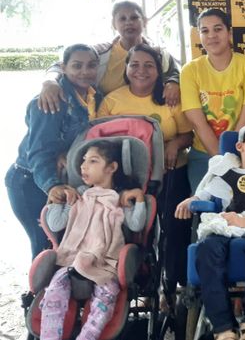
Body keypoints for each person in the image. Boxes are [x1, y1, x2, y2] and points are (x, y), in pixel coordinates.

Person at [96, 44, 194, 309]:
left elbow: (188, 133)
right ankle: (144, 286)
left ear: (159, 71)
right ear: (126, 68)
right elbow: (98, 141)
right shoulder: (112, 101)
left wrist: (174, 144)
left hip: (171, 173)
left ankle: (172, 287)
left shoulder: (169, 97)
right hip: (128, 181)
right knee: (138, 233)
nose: (141, 70)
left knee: (174, 230)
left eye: (149, 65)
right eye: (135, 64)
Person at [175, 121, 245, 340]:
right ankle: (223, 328)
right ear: (240, 146)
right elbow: (205, 194)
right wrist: (191, 200)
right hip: (230, 225)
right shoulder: (226, 173)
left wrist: (244, 221)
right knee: (207, 248)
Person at [40, 140, 146, 340]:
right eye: (83, 160)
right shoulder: (78, 194)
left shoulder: (120, 198)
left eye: (93, 161)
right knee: (53, 292)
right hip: (71, 259)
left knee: (106, 298)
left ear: (111, 168)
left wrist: (139, 197)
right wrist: (60, 199)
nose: (83, 166)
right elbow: (55, 224)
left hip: (104, 262)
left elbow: (136, 225)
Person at [6, 44, 100, 260]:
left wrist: (66, 152)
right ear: (63, 68)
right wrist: (52, 185)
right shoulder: (51, 100)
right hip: (30, 181)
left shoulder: (95, 96)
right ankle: (36, 283)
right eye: (77, 66)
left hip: (62, 179)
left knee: (63, 246)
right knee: (45, 246)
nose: (85, 71)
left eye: (91, 65)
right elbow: (39, 152)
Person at [38, 1, 181, 113]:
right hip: (106, 116)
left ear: (144, 21)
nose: (128, 22)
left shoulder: (159, 54)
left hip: (152, 115)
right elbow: (61, 65)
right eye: (122, 19)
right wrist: (49, 82)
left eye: (134, 17)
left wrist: (173, 83)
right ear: (114, 24)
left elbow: (175, 73)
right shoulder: (100, 52)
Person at [180, 8, 245, 189]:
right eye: (205, 31)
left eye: (218, 29)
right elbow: (197, 123)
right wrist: (222, 160)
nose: (211, 35)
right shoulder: (189, 71)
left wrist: (233, 155)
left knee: (242, 205)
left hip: (244, 152)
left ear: (229, 33)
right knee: (203, 205)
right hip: (203, 154)